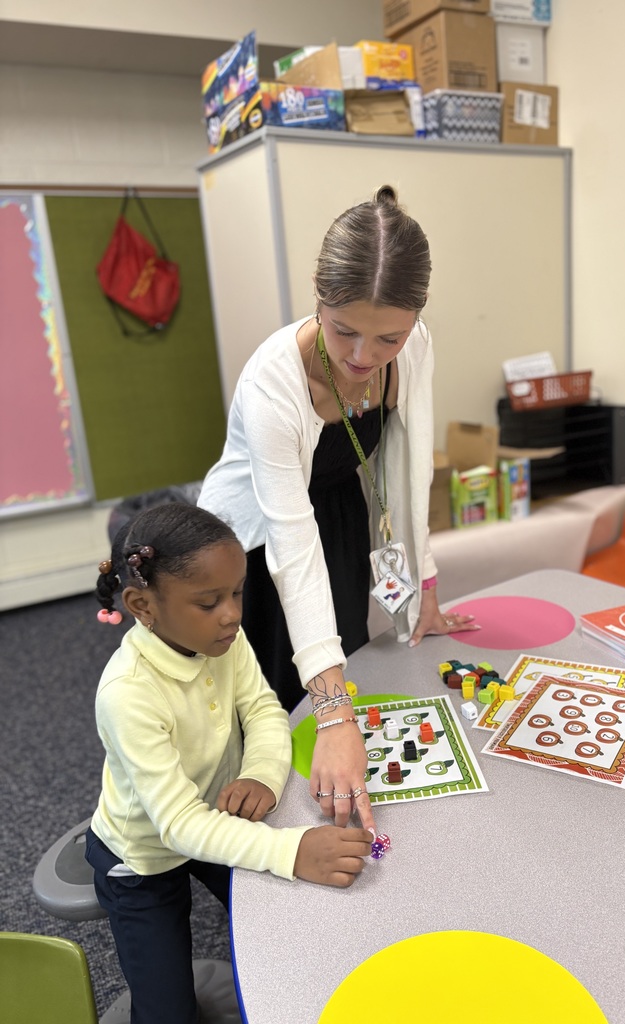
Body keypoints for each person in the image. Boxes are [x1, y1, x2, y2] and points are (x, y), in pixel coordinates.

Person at [198, 184, 480, 836]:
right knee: (269, 697)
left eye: (388, 338)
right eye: (344, 330)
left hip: (339, 513)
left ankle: (336, 802)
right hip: (253, 537)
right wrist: (333, 716)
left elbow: (409, 473)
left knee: (345, 654)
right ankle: (263, 843)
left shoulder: (413, 347)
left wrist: (423, 590)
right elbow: (290, 548)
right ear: (319, 302)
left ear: (414, 320)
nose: (362, 357)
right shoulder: (274, 379)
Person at [86, 502, 372, 1024]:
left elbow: (263, 709)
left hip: (215, 818)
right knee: (167, 1011)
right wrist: (291, 848)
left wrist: (259, 772)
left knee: (290, 921)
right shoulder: (127, 694)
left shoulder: (226, 638)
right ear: (141, 604)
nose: (233, 614)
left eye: (237, 592)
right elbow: (176, 826)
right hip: (144, 857)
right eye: (209, 601)